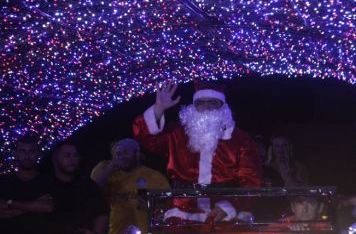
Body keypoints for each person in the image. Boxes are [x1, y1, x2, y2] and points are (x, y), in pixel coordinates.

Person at [133, 80, 262, 223]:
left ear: (223, 107)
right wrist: (158, 108)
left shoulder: (240, 139)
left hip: (222, 215)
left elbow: (250, 180)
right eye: (200, 103)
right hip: (181, 213)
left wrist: (231, 205)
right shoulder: (177, 134)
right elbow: (146, 139)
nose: (206, 107)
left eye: (212, 102)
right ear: (193, 107)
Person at [91, 138, 170, 234]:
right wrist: (110, 167)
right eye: (118, 154)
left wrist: (151, 207)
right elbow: (93, 190)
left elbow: (169, 209)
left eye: (125, 153)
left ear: (137, 154)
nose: (121, 157)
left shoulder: (155, 177)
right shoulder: (112, 176)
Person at [51, 141, 109, 234]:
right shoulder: (46, 185)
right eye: (67, 155)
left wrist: (96, 231)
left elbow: (102, 212)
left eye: (75, 155)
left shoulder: (88, 185)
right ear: (56, 158)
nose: (72, 159)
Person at [0, 135, 54, 234]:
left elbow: (48, 207)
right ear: (15, 154)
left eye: (32, 151)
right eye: (22, 151)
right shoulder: (2, 181)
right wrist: (35, 206)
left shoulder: (48, 181)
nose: (27, 155)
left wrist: (9, 203)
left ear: (38, 154)